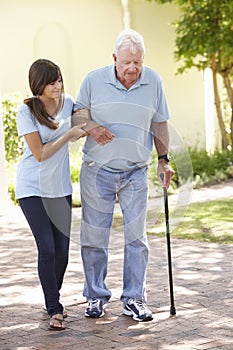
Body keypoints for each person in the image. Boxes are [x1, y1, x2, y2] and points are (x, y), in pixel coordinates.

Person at [73, 29, 175, 322]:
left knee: (137, 238)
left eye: (138, 63)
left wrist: (164, 160)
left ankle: (134, 298)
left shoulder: (153, 81)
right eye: (127, 62)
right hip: (97, 171)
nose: (133, 69)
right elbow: (78, 115)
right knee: (94, 236)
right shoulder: (93, 80)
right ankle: (95, 296)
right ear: (114, 58)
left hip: (135, 172)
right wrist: (92, 127)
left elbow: (160, 123)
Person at [15, 59, 87, 330]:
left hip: (59, 189)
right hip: (32, 188)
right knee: (47, 248)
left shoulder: (68, 102)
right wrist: (69, 135)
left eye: (58, 79)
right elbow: (40, 154)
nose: (57, 85)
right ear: (38, 84)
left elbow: (86, 118)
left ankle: (51, 298)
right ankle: (54, 308)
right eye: (51, 81)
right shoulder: (27, 111)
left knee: (63, 253)